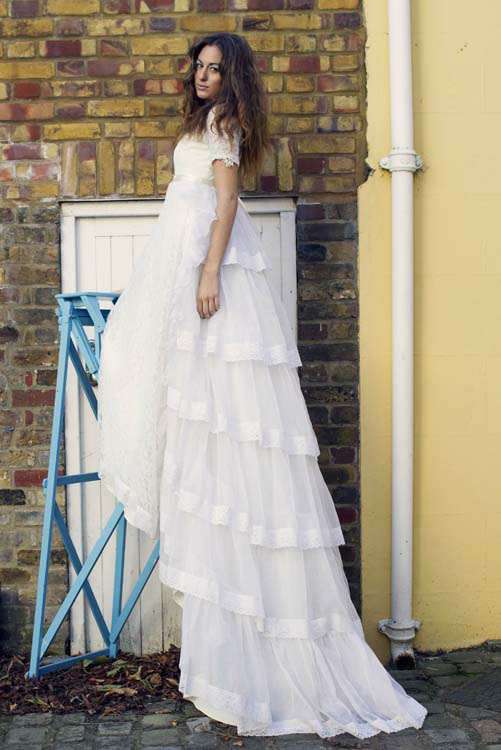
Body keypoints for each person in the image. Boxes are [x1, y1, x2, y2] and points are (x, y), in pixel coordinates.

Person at [97, 31, 428, 739]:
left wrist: (209, 273)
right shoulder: (203, 122)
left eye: (216, 69)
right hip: (184, 268)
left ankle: (265, 663)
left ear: (234, 78)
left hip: (209, 272)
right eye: (200, 66)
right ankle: (230, 658)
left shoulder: (222, 125)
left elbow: (224, 205)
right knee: (196, 412)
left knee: (227, 419)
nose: (203, 76)